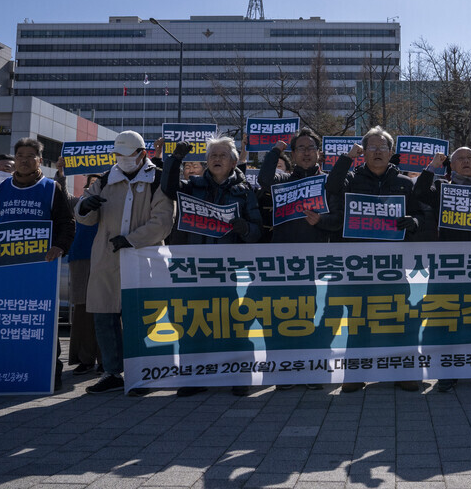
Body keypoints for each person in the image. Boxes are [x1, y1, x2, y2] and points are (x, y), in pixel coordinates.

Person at [326, 126, 429, 392]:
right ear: (363, 152)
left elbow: (422, 213)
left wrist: (414, 221)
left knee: (399, 316)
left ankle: (405, 371)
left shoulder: (405, 183)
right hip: (358, 262)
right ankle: (355, 373)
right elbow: (331, 186)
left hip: (393, 263)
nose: (377, 152)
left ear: (391, 152)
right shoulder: (350, 178)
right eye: (371, 147)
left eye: (382, 147)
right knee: (358, 318)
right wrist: (348, 157)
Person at [0, 138, 75, 392]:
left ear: (40, 160)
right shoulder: (0, 189)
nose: (24, 160)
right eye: (20, 155)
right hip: (4, 269)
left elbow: (67, 224)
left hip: (41, 268)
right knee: (7, 320)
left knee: (43, 322)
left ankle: (51, 372)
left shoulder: (52, 188)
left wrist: (59, 246)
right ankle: (5, 367)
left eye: (30, 155)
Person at [163, 136, 264, 397]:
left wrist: (245, 228)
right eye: (212, 155)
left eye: (222, 155)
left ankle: (241, 376)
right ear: (206, 161)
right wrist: (175, 159)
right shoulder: (192, 185)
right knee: (193, 323)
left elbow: (257, 231)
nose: (217, 159)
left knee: (234, 324)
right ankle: (194, 377)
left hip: (228, 271)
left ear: (233, 162)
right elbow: (167, 187)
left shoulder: (244, 192)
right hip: (195, 268)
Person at [76, 131, 174, 395]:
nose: (122, 159)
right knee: (105, 317)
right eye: (117, 155)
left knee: (143, 319)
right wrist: (86, 207)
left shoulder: (157, 179)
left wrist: (130, 240)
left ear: (142, 154)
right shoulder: (107, 178)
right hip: (108, 258)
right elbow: (84, 218)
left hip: (145, 258)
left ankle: (147, 372)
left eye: (127, 155)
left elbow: (163, 222)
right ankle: (112, 372)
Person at [414, 148, 471, 392]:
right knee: (447, 319)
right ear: (451, 166)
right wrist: (432, 166)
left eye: (470, 159)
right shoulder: (441, 190)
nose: (466, 162)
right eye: (460, 159)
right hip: (450, 266)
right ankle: (447, 372)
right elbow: (419, 192)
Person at [258, 127, 342, 390]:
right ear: (293, 154)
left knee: (320, 317)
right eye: (300, 148)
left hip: (319, 260)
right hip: (285, 260)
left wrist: (323, 221)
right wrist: (275, 152)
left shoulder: (330, 182)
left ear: (319, 153)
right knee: (283, 315)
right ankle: (284, 370)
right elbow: (264, 181)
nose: (306, 153)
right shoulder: (283, 180)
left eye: (311, 148)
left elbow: (340, 219)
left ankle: (316, 367)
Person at [55, 158, 102, 375]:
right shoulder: (78, 203)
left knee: (107, 310)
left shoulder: (112, 203)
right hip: (80, 259)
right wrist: (61, 173)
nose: (94, 187)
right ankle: (84, 359)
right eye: (90, 183)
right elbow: (62, 197)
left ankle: (107, 359)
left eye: (98, 183)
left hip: (105, 259)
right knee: (82, 310)